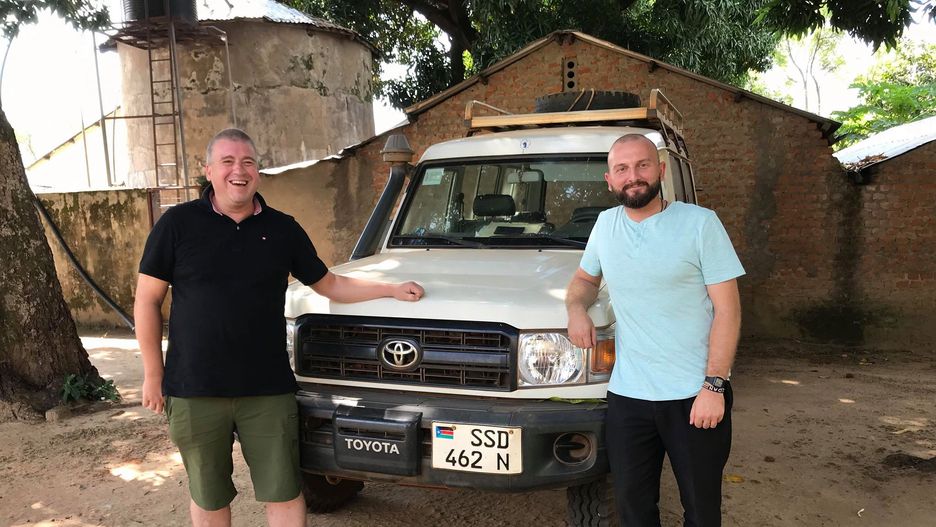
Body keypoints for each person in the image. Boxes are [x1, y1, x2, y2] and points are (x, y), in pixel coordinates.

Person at [134, 128, 424, 527]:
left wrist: (390, 289)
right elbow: (147, 300)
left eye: (248, 162)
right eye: (228, 161)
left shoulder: (283, 228)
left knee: (285, 492)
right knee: (208, 495)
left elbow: (330, 284)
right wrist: (153, 374)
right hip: (194, 389)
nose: (239, 170)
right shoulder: (177, 224)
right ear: (209, 171)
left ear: (258, 171)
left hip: (267, 390)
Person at [565, 134, 744, 526]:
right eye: (622, 169)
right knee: (633, 510)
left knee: (700, 510)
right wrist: (575, 308)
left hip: (694, 397)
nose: (634, 176)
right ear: (609, 179)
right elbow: (583, 279)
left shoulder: (700, 224)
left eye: (642, 165)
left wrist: (714, 385)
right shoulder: (605, 225)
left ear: (660, 170)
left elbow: (727, 310)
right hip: (628, 398)